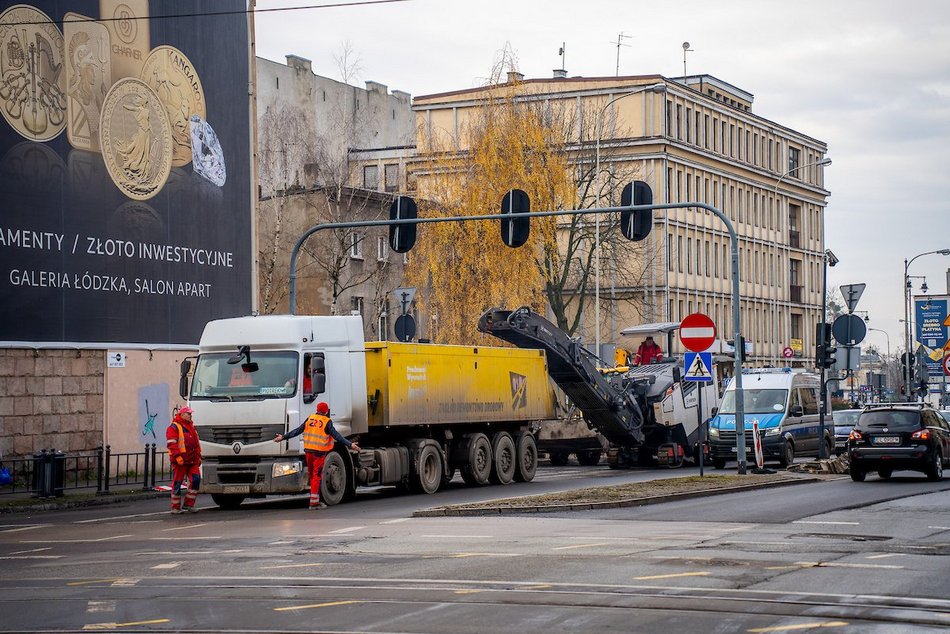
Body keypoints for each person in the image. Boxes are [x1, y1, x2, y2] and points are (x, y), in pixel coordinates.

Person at [274, 402, 360, 510]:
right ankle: (314, 503)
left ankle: (314, 499)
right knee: (316, 476)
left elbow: (297, 431)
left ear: (317, 410)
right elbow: (337, 436)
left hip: (308, 452)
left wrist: (283, 437)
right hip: (319, 453)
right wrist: (350, 444)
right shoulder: (326, 421)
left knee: (312, 475)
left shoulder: (310, 418)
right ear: (326, 411)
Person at [166, 406, 202, 514]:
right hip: (180, 461)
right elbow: (172, 444)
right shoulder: (174, 427)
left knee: (196, 480)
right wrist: (177, 457)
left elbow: (196, 444)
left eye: (190, 414)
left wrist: (198, 457)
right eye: (188, 413)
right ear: (182, 415)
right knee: (177, 483)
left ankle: (188, 504)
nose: (190, 415)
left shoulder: (191, 427)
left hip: (191, 460)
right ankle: (175, 507)